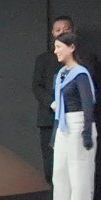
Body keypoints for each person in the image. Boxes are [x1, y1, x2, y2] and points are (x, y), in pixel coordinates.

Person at [42, 31, 97, 200]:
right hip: (63, 125)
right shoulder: (61, 75)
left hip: (78, 123)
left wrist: (86, 131)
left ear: (71, 48)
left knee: (78, 171)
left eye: (59, 47)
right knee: (60, 171)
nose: (56, 51)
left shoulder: (80, 74)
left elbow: (88, 104)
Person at [33, 16, 75, 177]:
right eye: (58, 30)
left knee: (75, 167)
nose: (62, 33)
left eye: (66, 29)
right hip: (49, 120)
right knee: (52, 167)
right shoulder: (43, 59)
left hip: (75, 119)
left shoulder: (85, 57)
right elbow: (37, 86)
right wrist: (52, 103)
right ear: (52, 33)